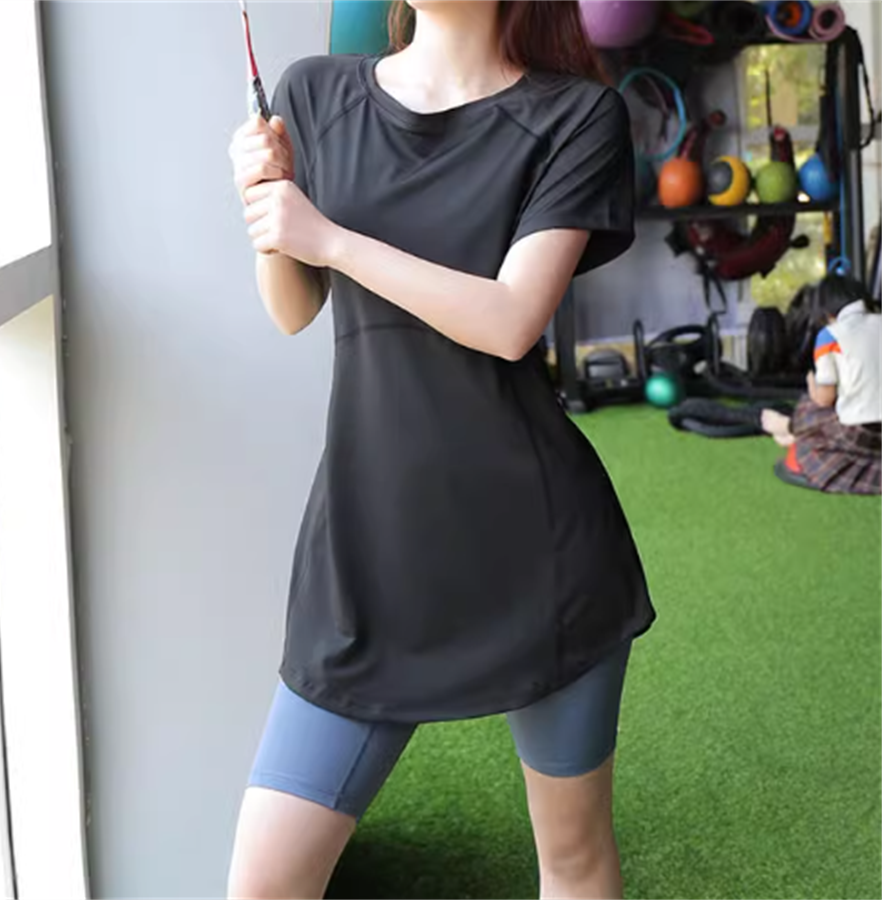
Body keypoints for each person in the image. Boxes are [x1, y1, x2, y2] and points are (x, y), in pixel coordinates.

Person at [226, 1, 656, 897]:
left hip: (539, 557)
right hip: (366, 552)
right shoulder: (313, 93)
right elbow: (294, 308)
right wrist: (267, 203)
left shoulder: (577, 116)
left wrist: (326, 236)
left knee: (573, 859)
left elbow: (510, 320)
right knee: (264, 884)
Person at [762, 275, 882, 494]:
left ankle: (789, 427)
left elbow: (825, 399)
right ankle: (794, 431)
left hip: (863, 434)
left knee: (810, 406)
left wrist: (812, 385)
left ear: (825, 311)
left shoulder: (829, 336)